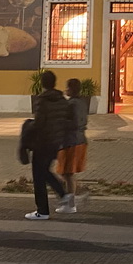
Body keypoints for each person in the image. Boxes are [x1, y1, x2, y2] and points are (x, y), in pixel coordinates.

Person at [25, 70, 73, 220]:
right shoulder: (62, 100)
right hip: (55, 142)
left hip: (42, 142)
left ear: (42, 83)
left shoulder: (42, 100)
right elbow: (67, 120)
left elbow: (39, 123)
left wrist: (28, 128)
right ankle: (63, 195)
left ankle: (43, 210)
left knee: (39, 175)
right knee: (44, 171)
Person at [56, 78, 89, 214]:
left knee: (67, 173)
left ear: (71, 89)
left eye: (67, 87)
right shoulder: (82, 103)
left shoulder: (71, 104)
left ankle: (71, 204)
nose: (66, 90)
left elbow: (72, 123)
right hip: (80, 140)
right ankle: (73, 197)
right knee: (67, 173)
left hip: (71, 141)